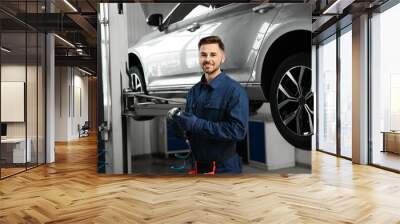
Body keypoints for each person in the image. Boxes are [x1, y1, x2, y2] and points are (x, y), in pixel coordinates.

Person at [168, 35, 249, 174]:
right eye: (203, 55)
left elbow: (238, 131)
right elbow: (189, 132)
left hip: (224, 169)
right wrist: (178, 124)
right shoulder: (193, 92)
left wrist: (196, 124)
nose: (207, 59)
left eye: (213, 54)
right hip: (197, 166)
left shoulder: (235, 91)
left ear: (222, 58)